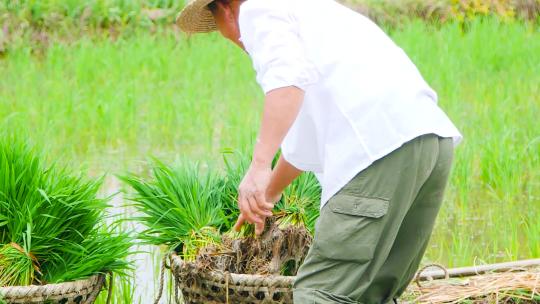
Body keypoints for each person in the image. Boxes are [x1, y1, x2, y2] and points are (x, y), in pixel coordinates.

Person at [176, 0, 462, 303]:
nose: (235, 40)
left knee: (320, 292)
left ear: (225, 10)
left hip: (377, 151)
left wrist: (259, 166)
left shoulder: (256, 10)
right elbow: (302, 139)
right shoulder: (314, 13)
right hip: (431, 142)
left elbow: (285, 82)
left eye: (216, 23)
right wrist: (268, 194)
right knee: (372, 293)